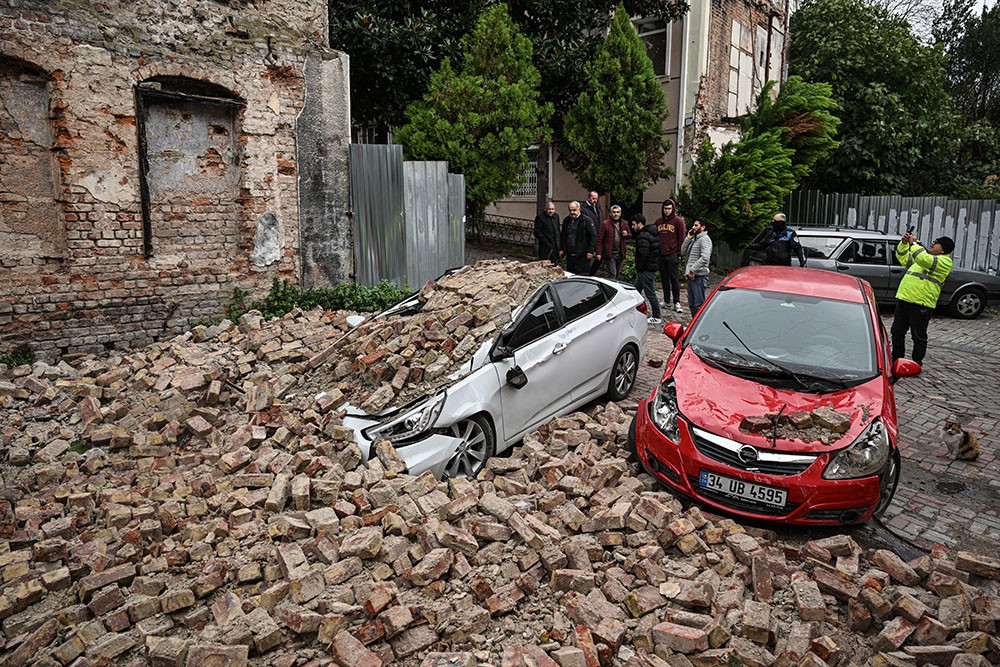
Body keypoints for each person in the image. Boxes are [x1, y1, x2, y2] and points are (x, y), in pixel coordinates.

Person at [891, 232, 954, 367]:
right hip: (904, 299)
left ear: (943, 250)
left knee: (918, 336)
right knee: (897, 332)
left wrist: (913, 243)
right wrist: (903, 243)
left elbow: (923, 259)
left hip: (921, 304)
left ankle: (916, 363)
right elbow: (903, 258)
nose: (932, 243)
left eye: (936, 242)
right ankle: (896, 359)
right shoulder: (923, 258)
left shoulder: (944, 262)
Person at [655, 199, 687, 313]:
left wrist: (679, 253)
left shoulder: (678, 221)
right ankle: (667, 300)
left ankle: (677, 302)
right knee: (664, 279)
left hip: (673, 254)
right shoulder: (658, 222)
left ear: (673, 209)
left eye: (669, 209)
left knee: (674, 279)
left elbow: (682, 238)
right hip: (661, 255)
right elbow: (655, 238)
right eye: (665, 209)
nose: (667, 211)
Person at [630, 213, 662, 324]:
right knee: (635, 290)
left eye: (634, 224)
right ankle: (632, 310)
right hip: (648, 268)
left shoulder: (643, 236)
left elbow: (643, 255)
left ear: (640, 224)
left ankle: (657, 316)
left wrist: (640, 268)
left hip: (646, 269)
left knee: (650, 293)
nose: (632, 227)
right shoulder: (650, 234)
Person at [681, 218, 713, 315]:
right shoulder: (695, 239)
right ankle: (693, 326)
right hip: (692, 276)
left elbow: (705, 258)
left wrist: (692, 270)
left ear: (702, 227)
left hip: (698, 276)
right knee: (692, 304)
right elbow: (683, 252)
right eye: (693, 225)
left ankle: (699, 326)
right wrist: (688, 238)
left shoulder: (705, 240)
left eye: (696, 225)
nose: (693, 227)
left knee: (698, 305)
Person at [591, 205, 630, 279]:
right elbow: (599, 239)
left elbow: (629, 235)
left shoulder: (624, 223)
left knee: (616, 274)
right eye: (614, 212)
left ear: (620, 213)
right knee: (613, 274)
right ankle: (610, 289)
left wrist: (626, 234)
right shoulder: (605, 224)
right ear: (610, 214)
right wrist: (598, 253)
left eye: (618, 212)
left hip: (620, 253)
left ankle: (612, 287)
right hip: (609, 253)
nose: (616, 214)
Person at [559, 201, 596, 274]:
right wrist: (562, 249)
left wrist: (590, 251)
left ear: (579, 209)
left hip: (582, 255)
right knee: (571, 276)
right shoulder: (567, 220)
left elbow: (593, 236)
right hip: (570, 255)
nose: (572, 212)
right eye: (570, 210)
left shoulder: (586, 220)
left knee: (582, 277)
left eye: (574, 210)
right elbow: (563, 235)